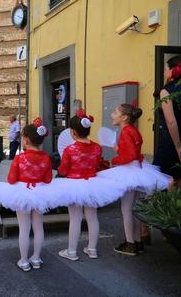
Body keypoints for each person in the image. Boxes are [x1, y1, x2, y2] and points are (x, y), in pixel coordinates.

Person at [97, 104, 171, 255]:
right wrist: (117, 149)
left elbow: (129, 156)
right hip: (137, 169)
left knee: (126, 209)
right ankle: (137, 242)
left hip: (129, 171)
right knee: (134, 209)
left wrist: (115, 160)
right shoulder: (133, 130)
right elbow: (134, 152)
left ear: (124, 117)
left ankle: (130, 243)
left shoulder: (125, 132)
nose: (112, 115)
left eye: (115, 112)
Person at [55, 110, 126, 261]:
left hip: (74, 185)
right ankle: (92, 249)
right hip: (92, 184)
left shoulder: (70, 149)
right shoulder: (97, 147)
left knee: (75, 218)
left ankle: (72, 251)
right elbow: (95, 164)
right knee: (92, 217)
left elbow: (63, 170)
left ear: (72, 132)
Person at [0, 118, 56, 272]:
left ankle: (24, 261)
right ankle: (37, 258)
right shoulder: (46, 157)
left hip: (22, 193)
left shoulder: (20, 158)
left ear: (25, 140)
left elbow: (11, 179)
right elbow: (48, 179)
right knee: (38, 227)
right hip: (40, 193)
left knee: (24, 229)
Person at [153, 56, 181, 187]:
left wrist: (178, 146)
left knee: (159, 181)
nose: (164, 72)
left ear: (174, 71)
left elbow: (171, 121)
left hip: (171, 142)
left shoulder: (167, 91)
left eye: (166, 68)